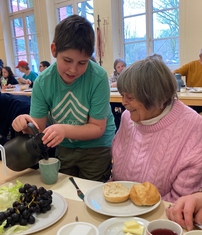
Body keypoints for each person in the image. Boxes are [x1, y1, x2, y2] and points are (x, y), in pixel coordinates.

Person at [12, 14, 116, 182]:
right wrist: (26, 124)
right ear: (54, 50)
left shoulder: (99, 77)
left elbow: (97, 128)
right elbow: (38, 129)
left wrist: (64, 130)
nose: (73, 69)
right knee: (66, 190)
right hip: (65, 146)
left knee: (92, 193)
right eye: (67, 60)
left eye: (83, 63)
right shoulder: (43, 82)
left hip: (97, 147)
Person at [110, 57, 202, 202]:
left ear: (153, 97)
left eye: (130, 97)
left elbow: (180, 201)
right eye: (122, 96)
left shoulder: (193, 127)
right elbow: (116, 173)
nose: (123, 103)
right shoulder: (127, 117)